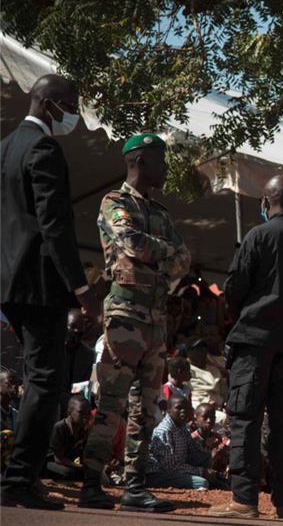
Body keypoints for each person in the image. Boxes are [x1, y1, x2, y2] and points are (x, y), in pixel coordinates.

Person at [0, 74, 100, 510]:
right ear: (50, 104)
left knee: (35, 377)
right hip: (39, 283)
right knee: (46, 380)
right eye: (71, 105)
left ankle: (24, 472)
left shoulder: (4, 147)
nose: (74, 114)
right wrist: (81, 287)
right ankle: (21, 478)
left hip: (8, 281)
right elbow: (54, 224)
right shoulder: (44, 149)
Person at [80, 132, 191, 512]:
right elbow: (130, 243)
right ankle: (91, 483)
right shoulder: (115, 202)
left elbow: (184, 260)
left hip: (155, 319)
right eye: (160, 161)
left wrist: (156, 253)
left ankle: (135, 487)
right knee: (111, 403)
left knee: (145, 407)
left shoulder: (160, 212)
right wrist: (163, 252)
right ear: (140, 161)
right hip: (125, 314)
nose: (165, 169)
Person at [209, 175, 283, 519]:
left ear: (264, 202)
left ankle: (244, 500)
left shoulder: (257, 236)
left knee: (245, 418)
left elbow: (234, 291)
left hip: (254, 340)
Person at [146, 394, 212, 490]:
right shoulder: (164, 431)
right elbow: (170, 467)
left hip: (177, 467)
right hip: (159, 473)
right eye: (178, 408)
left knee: (205, 457)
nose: (183, 411)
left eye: (186, 408)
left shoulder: (183, 426)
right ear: (169, 410)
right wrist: (201, 471)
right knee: (202, 482)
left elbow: (195, 450)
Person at [186, 339, 227, 411]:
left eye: (203, 348)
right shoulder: (185, 370)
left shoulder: (214, 370)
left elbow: (224, 392)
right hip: (198, 407)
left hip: (219, 405)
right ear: (189, 352)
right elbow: (185, 393)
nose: (202, 352)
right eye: (197, 349)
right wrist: (207, 402)